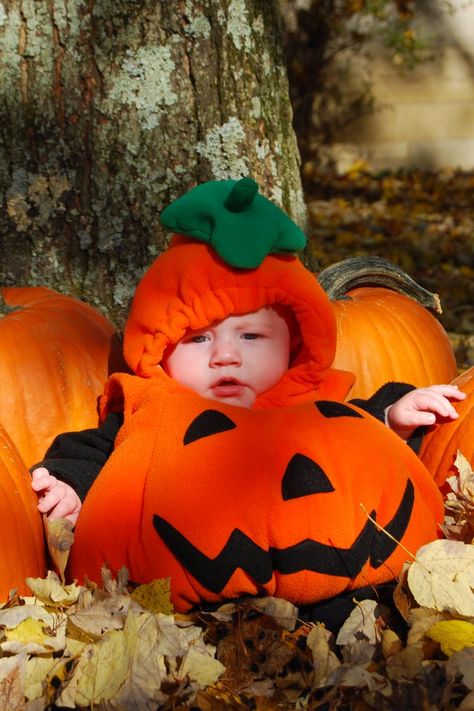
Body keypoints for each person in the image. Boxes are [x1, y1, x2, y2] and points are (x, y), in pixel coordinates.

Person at [30, 178, 465, 613]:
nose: (225, 356)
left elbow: (350, 437)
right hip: (191, 597)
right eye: (198, 340)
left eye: (252, 336)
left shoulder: (305, 397)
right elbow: (95, 449)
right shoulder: (153, 406)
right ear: (161, 349)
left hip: (334, 581)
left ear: (292, 342)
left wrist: (391, 418)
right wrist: (71, 485)